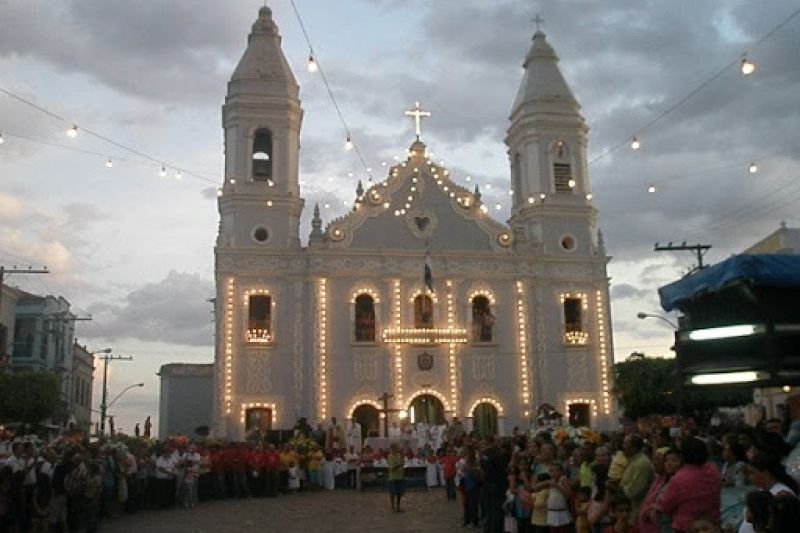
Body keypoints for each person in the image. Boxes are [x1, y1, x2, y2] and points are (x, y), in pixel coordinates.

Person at [657, 437, 721, 533]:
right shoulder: (713, 470)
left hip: (688, 527)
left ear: (683, 456)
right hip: (712, 523)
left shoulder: (679, 478)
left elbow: (665, 505)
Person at [616, 435, 653, 525]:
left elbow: (633, 492)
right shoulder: (633, 460)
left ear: (634, 447)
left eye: (625, 443)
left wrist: (616, 488)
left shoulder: (641, 464)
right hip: (630, 514)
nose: (622, 446)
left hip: (636, 514)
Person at [387, 443, 405, 513]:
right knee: (392, 493)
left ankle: (398, 507)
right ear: (393, 448)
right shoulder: (390, 456)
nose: (399, 449)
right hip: (393, 477)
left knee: (399, 493)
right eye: (397, 448)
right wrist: (399, 465)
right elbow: (391, 468)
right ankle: (392, 507)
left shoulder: (398, 455)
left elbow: (402, 463)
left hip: (399, 476)